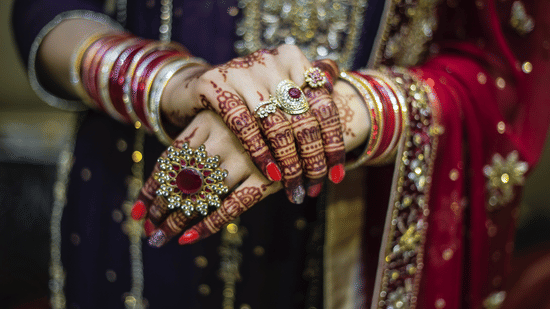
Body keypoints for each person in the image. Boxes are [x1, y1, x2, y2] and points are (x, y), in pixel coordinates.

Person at [11, 0, 550, 308]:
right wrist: (172, 82)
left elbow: (502, 69)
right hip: (140, 205)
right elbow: (49, 10)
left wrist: (342, 113)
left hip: (349, 242)